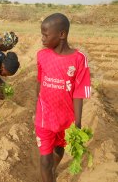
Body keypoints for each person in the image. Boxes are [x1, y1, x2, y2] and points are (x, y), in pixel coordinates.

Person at [35, 13, 91, 182]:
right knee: (45, 160)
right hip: (44, 117)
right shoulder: (42, 55)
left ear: (62, 34)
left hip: (66, 119)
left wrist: (78, 123)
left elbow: (79, 93)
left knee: (59, 150)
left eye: (46, 34)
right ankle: (49, 174)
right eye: (42, 34)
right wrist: (35, 109)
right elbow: (39, 82)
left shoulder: (79, 59)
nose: (42, 39)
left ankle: (53, 169)